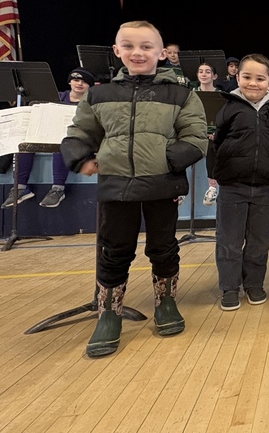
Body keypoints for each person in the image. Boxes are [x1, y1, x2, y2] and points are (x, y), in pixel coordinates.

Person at [61, 20, 207, 358]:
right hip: (116, 186)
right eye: (128, 46)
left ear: (161, 53)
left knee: (164, 247)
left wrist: (165, 161)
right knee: (114, 251)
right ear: (116, 51)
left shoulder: (182, 94)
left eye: (145, 46)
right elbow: (79, 131)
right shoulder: (98, 94)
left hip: (161, 184)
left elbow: (196, 138)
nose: (137, 52)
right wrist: (79, 157)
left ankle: (166, 302)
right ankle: (109, 314)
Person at [211, 54, 269, 310]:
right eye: (247, 77)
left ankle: (254, 283)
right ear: (237, 77)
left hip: (265, 188)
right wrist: (215, 176)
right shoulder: (229, 107)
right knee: (229, 241)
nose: (253, 83)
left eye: (260, 78)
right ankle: (229, 287)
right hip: (232, 188)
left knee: (259, 241)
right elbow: (216, 143)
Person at [0, 67, 94, 209]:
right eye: (76, 80)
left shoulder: (91, 102)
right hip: (48, 132)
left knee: (61, 144)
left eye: (84, 82)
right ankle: (19, 188)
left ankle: (57, 189)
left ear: (90, 86)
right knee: (25, 145)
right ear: (69, 82)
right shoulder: (57, 97)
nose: (79, 83)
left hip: (74, 137)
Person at [194, 63, 220, 205]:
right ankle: (179, 191)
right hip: (195, 133)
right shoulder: (192, 94)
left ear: (214, 76)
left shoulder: (220, 96)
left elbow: (222, 119)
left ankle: (212, 187)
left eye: (208, 72)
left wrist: (215, 132)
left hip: (213, 136)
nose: (204, 74)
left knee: (212, 146)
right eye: (201, 71)